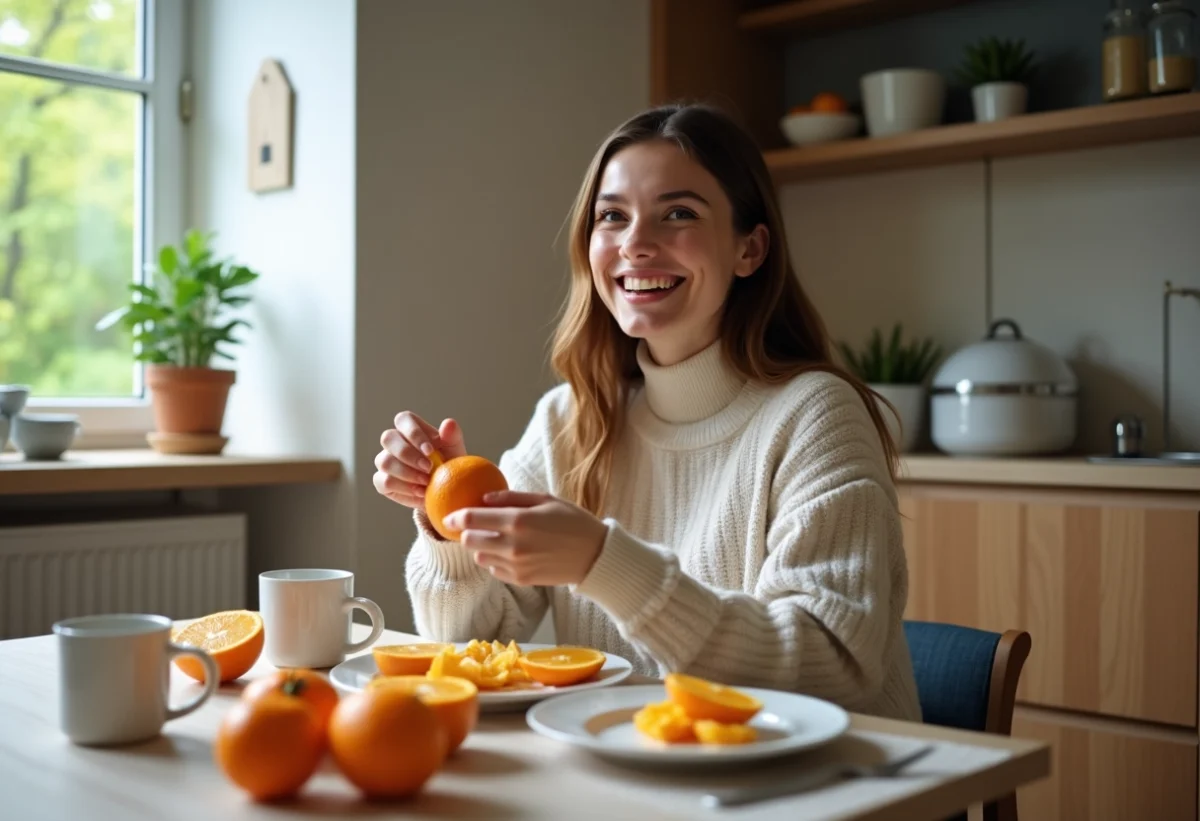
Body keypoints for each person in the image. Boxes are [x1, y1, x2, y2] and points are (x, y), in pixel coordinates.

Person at [373, 103, 921, 721]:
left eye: (678, 214)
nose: (636, 244)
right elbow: (472, 643)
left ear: (750, 248)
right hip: (646, 774)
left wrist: (602, 563)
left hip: (833, 788)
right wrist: (450, 524)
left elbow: (832, 667)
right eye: (613, 217)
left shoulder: (814, 416)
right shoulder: (570, 420)